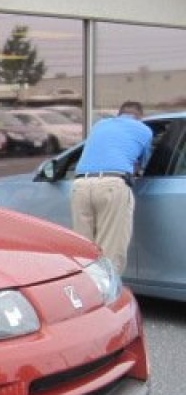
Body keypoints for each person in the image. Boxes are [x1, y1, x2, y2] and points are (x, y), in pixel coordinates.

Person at [70, 100, 152, 274]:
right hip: (112, 185)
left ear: (119, 115)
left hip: (80, 186)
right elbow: (142, 165)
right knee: (111, 250)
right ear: (139, 117)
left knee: (83, 250)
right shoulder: (144, 130)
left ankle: (86, 292)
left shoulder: (100, 125)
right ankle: (107, 296)